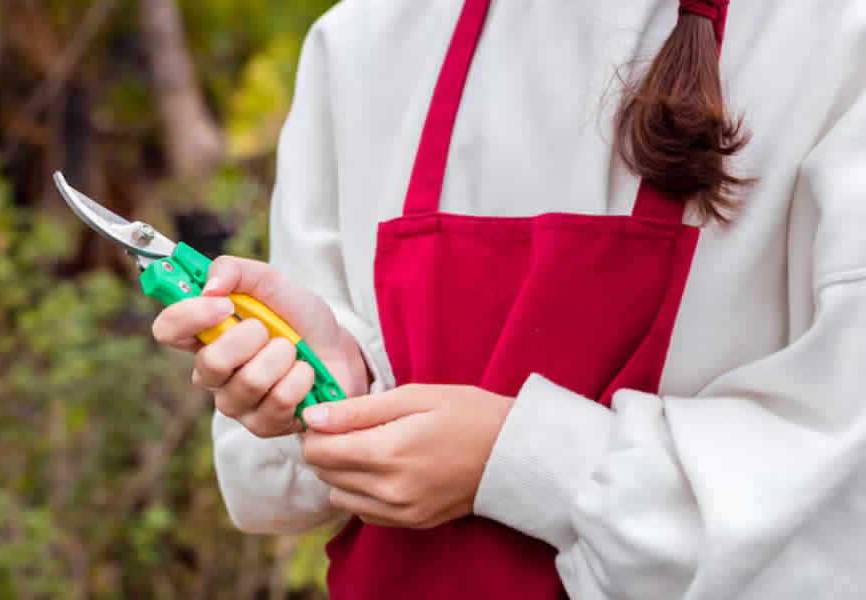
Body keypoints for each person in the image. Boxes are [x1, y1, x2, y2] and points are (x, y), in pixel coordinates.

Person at [152, 0, 866, 598]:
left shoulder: (831, 38)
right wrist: (336, 380)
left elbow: (840, 489)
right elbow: (276, 489)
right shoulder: (366, 39)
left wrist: (519, 459)